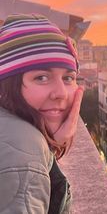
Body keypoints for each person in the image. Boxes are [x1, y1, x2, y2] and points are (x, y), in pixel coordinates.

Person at [0, 13, 84, 213]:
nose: (61, 94)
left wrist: (48, 146)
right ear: (6, 85)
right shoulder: (23, 153)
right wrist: (33, 152)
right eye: (41, 77)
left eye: (68, 78)